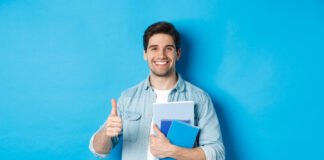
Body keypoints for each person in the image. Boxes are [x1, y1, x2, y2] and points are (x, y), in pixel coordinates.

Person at [89, 21, 225, 160]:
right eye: (154, 48)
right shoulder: (128, 98)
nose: (161, 55)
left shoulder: (200, 99)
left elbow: (217, 154)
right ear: (145, 54)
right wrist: (106, 132)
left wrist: (172, 151)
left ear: (178, 54)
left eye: (168, 48)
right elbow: (99, 151)